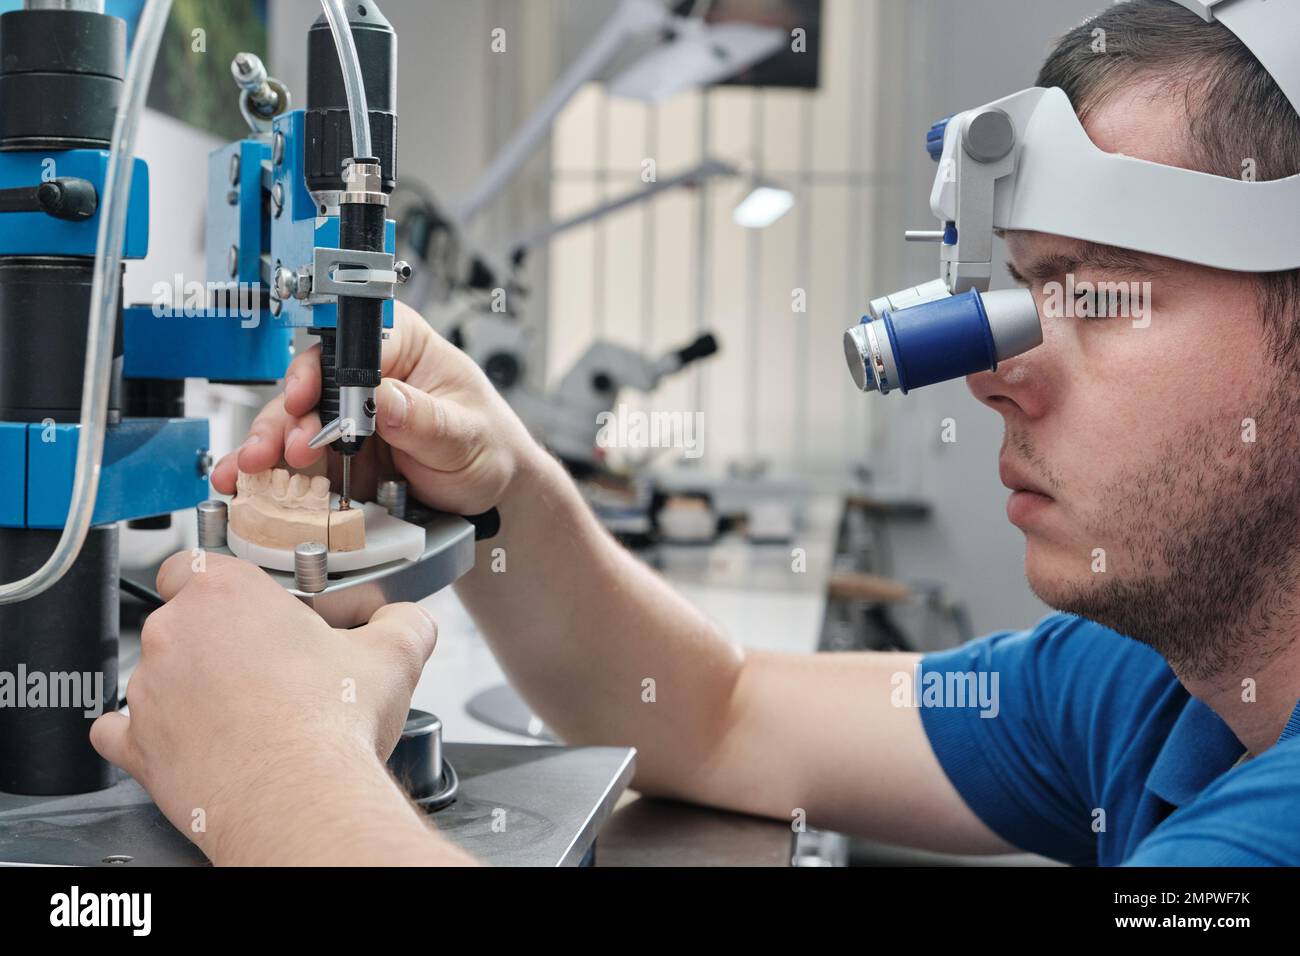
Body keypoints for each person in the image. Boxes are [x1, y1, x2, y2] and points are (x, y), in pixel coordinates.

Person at [91, 0, 1300, 865]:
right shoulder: (1145, 684)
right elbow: (715, 715)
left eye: (1100, 291)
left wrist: (278, 780)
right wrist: (495, 481)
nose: (993, 377)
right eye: (1018, 290)